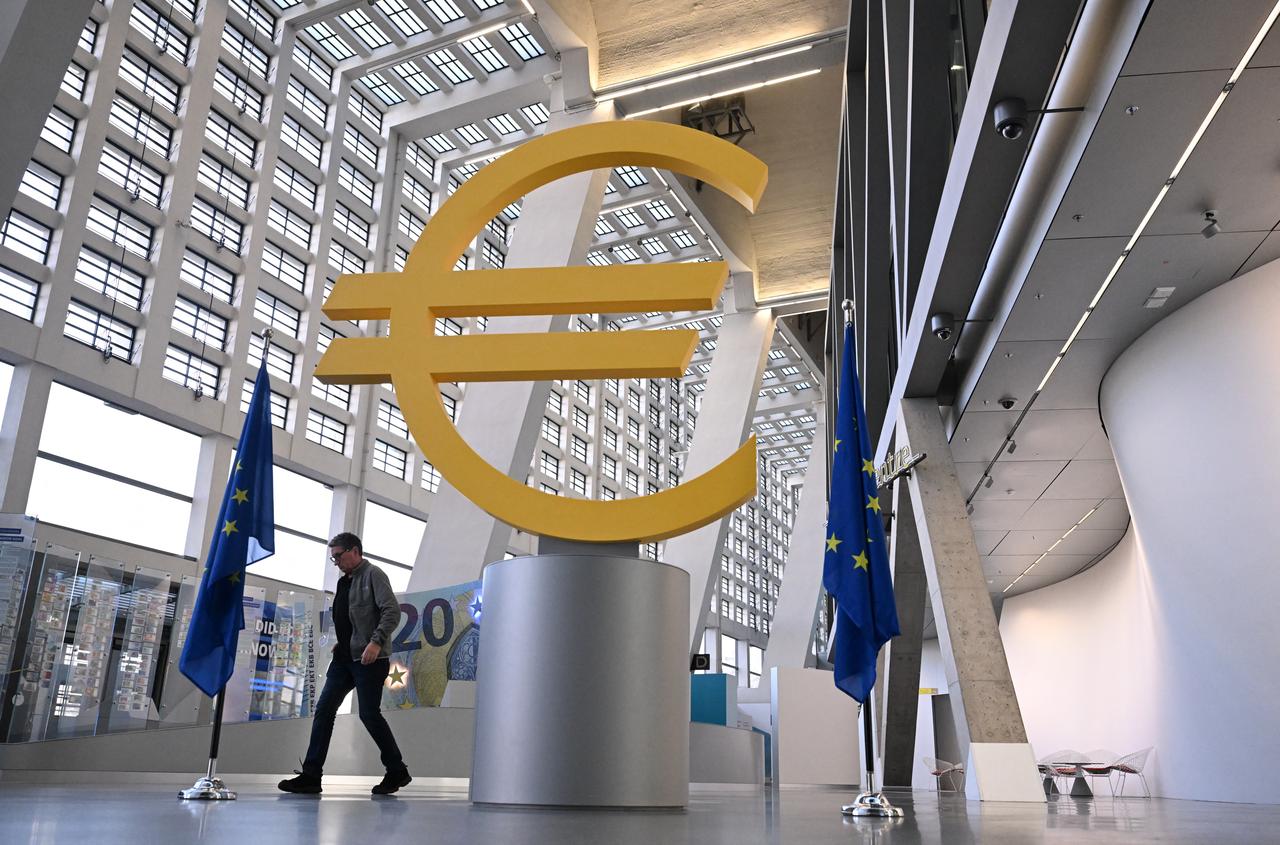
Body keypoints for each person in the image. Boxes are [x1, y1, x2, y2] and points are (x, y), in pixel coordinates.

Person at [278, 532, 411, 796]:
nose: (336, 561)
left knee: (369, 714)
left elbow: (391, 611)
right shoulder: (344, 582)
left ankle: (396, 770)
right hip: (345, 658)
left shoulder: (374, 575)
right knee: (324, 710)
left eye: (338, 555)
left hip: (369, 659)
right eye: (333, 557)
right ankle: (311, 776)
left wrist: (375, 642)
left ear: (354, 551)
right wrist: (345, 640)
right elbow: (348, 616)